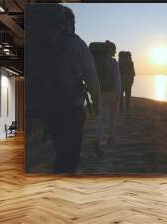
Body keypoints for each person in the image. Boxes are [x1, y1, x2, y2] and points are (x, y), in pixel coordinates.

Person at [48, 6, 100, 173]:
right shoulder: (77, 44)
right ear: (70, 22)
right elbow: (92, 77)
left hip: (49, 108)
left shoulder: (45, 45)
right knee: (71, 154)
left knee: (61, 150)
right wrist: (96, 102)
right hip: (71, 109)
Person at [90, 40, 121, 157]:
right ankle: (111, 138)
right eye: (114, 49)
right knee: (113, 117)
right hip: (112, 94)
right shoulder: (113, 62)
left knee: (102, 119)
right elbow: (117, 80)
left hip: (101, 93)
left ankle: (97, 139)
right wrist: (118, 95)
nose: (115, 51)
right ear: (111, 50)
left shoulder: (97, 62)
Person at [118, 51, 136, 118]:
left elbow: (133, 74)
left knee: (123, 96)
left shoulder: (128, 64)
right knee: (126, 96)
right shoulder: (130, 63)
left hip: (126, 82)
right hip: (126, 82)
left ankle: (123, 111)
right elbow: (133, 74)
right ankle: (125, 111)